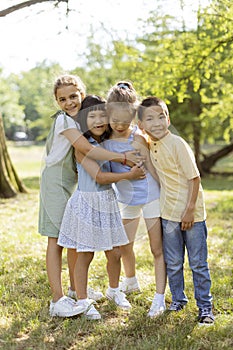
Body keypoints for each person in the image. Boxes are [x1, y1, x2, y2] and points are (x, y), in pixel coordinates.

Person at [38, 74, 143, 317]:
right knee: (56, 240)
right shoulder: (65, 121)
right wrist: (123, 159)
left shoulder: (82, 122)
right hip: (55, 182)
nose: (69, 102)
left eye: (73, 96)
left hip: (71, 184)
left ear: (82, 95)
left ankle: (76, 290)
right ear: (57, 102)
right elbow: (86, 150)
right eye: (62, 99)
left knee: (73, 240)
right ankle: (58, 299)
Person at [137, 96, 214, 325]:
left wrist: (189, 210)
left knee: (198, 263)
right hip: (168, 214)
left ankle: (205, 308)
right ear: (142, 125)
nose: (157, 123)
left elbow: (195, 178)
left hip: (192, 215)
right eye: (149, 119)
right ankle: (178, 300)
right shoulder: (151, 145)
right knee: (173, 262)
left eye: (161, 116)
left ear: (168, 119)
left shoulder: (178, 144)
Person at [104, 82, 167, 317]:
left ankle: (159, 298)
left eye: (126, 120)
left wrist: (166, 191)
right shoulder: (104, 139)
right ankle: (130, 281)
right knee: (124, 245)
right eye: (115, 120)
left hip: (151, 196)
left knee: (156, 247)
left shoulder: (138, 136)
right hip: (127, 200)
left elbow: (152, 167)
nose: (120, 125)